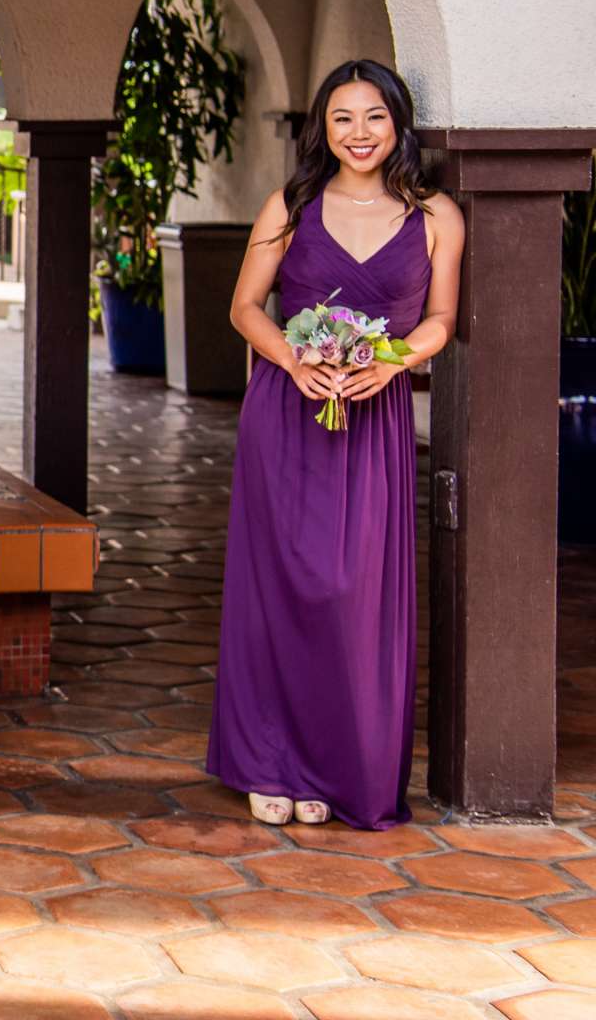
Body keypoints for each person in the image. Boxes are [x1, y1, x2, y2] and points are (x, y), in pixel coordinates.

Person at [210, 59, 458, 829]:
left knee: (351, 595)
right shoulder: (291, 204)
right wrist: (294, 357)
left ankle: (335, 762)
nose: (359, 133)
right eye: (343, 117)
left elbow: (441, 323)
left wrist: (388, 364)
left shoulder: (438, 216)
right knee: (280, 587)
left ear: (398, 125)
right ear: (322, 125)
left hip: (372, 418)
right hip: (287, 414)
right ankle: (268, 762)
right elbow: (245, 307)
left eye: (374, 117)